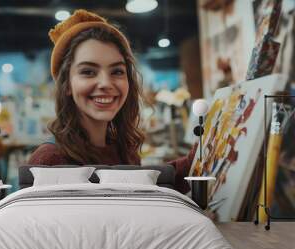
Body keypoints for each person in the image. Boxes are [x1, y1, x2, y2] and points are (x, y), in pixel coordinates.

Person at [28, 9, 196, 194]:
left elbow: (141, 194)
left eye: (117, 72)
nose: (106, 84)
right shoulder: (49, 160)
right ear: (67, 84)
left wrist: (198, 158)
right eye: (88, 72)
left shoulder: (124, 149)